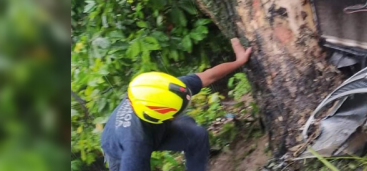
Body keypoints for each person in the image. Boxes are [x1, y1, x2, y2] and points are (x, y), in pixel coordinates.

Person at [100, 38, 253, 171]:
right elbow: (135, 148)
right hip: (120, 150)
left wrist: (239, 61)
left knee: (197, 135)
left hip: (152, 129)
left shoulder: (166, 91)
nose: (180, 114)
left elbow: (209, 76)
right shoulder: (135, 148)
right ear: (164, 116)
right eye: (177, 113)